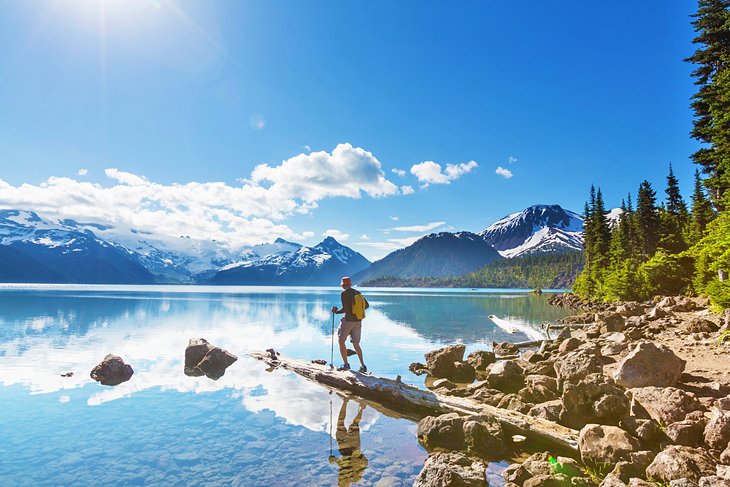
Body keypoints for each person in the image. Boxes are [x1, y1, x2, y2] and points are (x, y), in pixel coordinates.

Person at [328, 398, 368, 486]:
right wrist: (333, 459)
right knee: (341, 424)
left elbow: (344, 465)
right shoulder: (354, 477)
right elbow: (344, 464)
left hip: (353, 448)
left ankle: (361, 407)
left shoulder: (355, 477)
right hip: (345, 447)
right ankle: (346, 401)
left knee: (352, 424)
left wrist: (334, 459)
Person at [331, 276, 367, 372]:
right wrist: (357, 311)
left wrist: (336, 311)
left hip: (348, 321)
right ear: (350, 284)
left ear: (343, 285)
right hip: (358, 321)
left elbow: (345, 309)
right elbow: (366, 305)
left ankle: (346, 364)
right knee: (356, 343)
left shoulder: (344, 293)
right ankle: (363, 366)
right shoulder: (357, 293)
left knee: (341, 341)